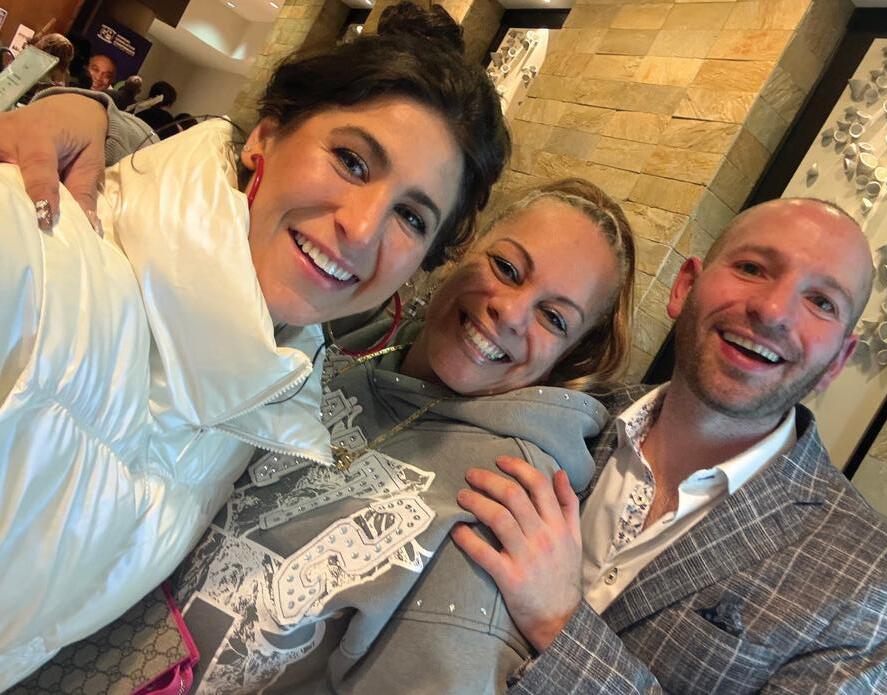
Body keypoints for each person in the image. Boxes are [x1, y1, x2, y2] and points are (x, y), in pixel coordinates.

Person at [0, 3, 509, 688]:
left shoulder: (263, 403)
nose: (362, 228)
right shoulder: (29, 250)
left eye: (411, 217)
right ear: (265, 136)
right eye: (351, 161)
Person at [11, 178, 637, 694]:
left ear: (572, 355)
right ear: (461, 247)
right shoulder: (339, 334)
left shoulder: (505, 500)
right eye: (506, 267)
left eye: (554, 318)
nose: (510, 310)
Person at [456, 198, 887, 692]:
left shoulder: (872, 582)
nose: (772, 311)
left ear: (838, 360)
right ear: (685, 286)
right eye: (752, 268)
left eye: (822, 303)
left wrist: (559, 626)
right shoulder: (563, 406)